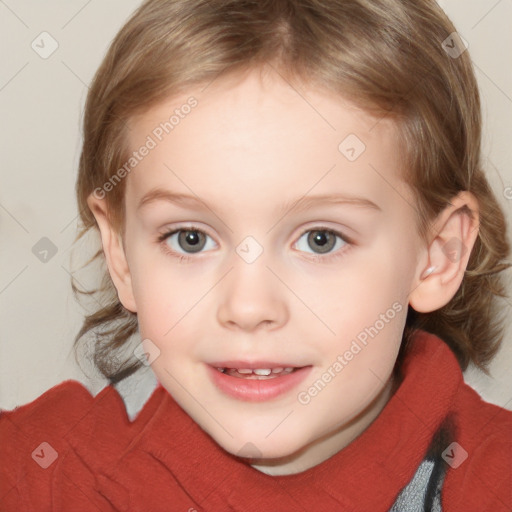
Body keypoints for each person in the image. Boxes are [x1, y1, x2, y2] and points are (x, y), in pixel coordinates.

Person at [1, 0, 511, 510]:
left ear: (437, 256)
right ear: (121, 254)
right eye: (190, 238)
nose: (248, 307)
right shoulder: (34, 474)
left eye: (321, 240)